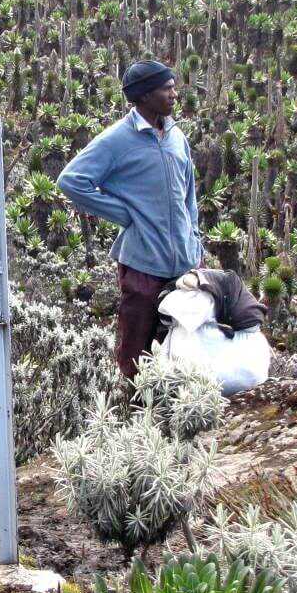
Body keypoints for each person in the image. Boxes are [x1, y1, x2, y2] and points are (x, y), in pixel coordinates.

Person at [58, 59, 202, 378]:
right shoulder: (117, 140)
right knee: (137, 354)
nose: (175, 94)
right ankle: (134, 414)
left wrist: (195, 235)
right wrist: (125, 214)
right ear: (144, 96)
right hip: (144, 265)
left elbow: (188, 189)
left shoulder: (176, 135)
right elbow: (71, 180)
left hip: (185, 263)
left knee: (188, 349)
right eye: (167, 89)